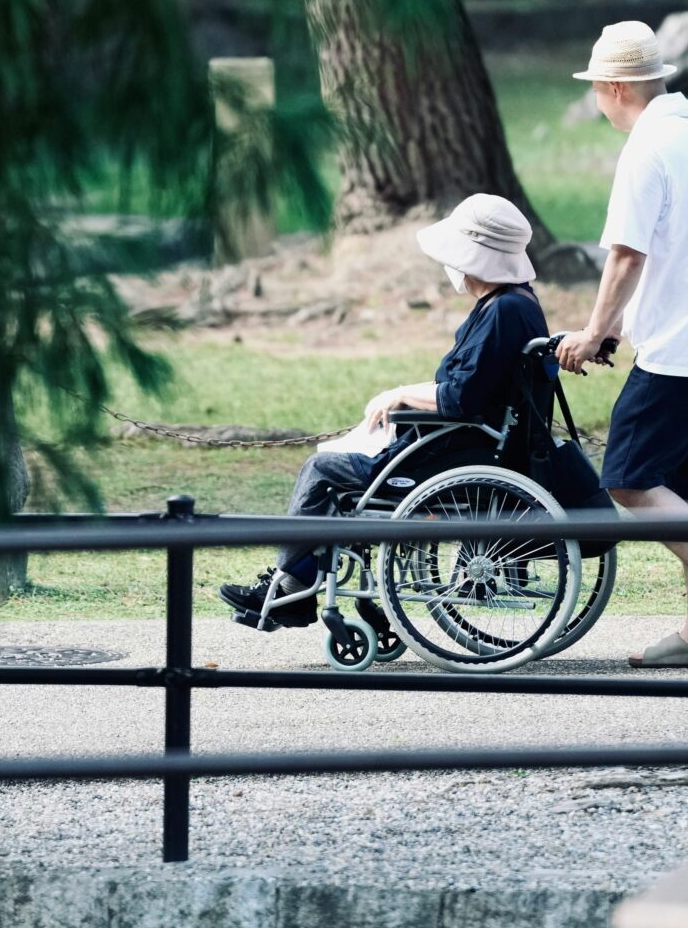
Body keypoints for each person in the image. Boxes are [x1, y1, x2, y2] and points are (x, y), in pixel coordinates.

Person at [220, 193, 552, 629]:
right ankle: (298, 580)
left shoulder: (502, 312)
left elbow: (461, 398)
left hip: (455, 454)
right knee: (339, 459)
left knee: (320, 470)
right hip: (469, 446)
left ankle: (288, 589)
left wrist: (400, 395)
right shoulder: (515, 304)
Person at [556, 20, 688, 668]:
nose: (595, 98)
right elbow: (680, 254)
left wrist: (594, 332)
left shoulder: (648, 148)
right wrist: (619, 326)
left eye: (597, 87)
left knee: (628, 477)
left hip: (682, 353)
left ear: (615, 86)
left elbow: (626, 256)